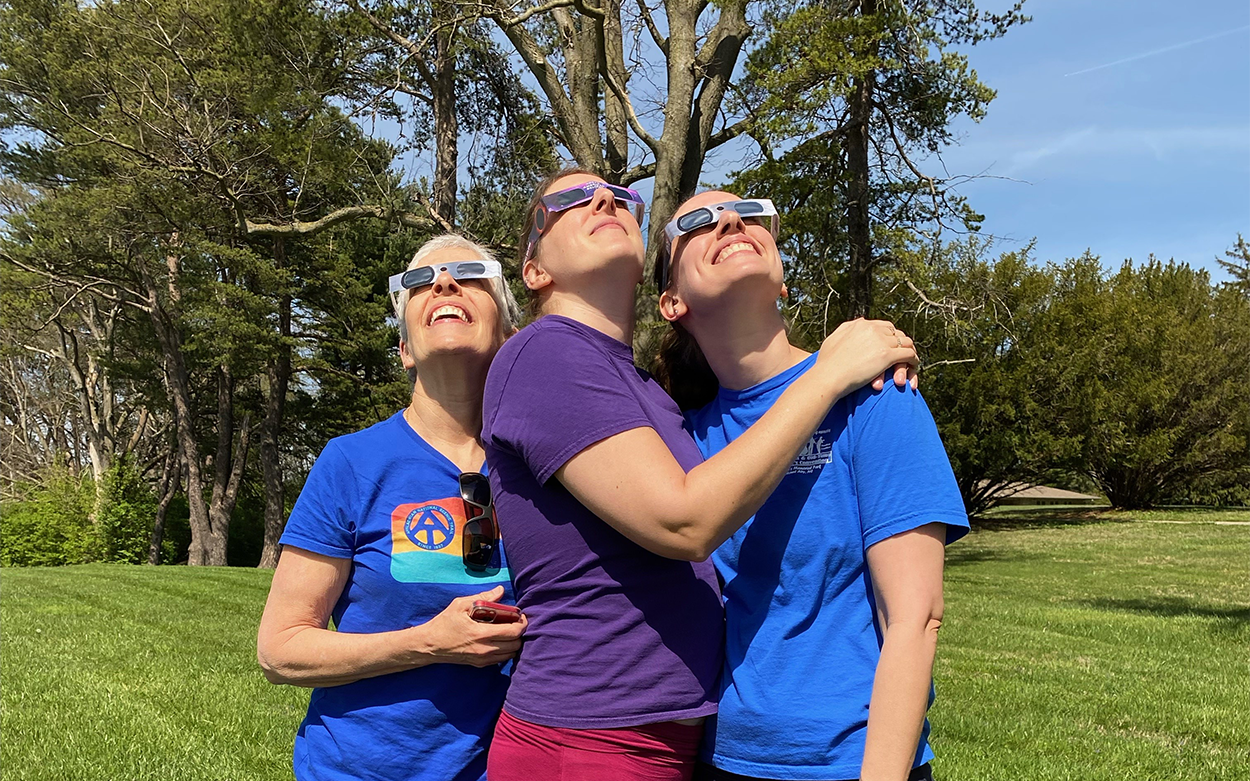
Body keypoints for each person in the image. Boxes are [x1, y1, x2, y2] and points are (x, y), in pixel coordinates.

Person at [480, 169, 920, 781]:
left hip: (678, 739)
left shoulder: (656, 400)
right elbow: (685, 519)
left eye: (621, 198)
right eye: (570, 200)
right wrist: (829, 371)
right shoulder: (546, 351)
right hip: (589, 737)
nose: (604, 197)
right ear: (535, 270)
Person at [652, 191, 970, 781]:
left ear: (782, 284)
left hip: (850, 762)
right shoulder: (676, 435)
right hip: (717, 757)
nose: (730, 221)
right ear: (672, 302)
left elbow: (915, 618)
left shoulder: (878, 397)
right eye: (697, 222)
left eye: (750, 213)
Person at [256, 234, 527, 781]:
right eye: (419, 283)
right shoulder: (352, 463)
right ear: (404, 348)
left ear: (509, 334)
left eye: (470, 274)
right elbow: (280, 650)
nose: (444, 283)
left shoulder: (548, 469)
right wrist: (428, 643)